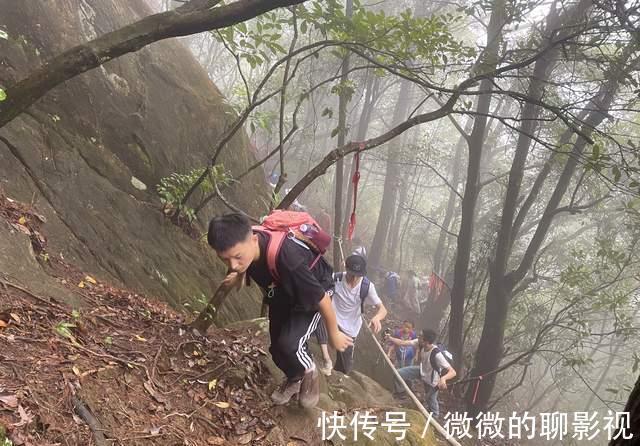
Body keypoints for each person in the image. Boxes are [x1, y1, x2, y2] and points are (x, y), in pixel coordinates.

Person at [207, 213, 353, 409]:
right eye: (225, 260)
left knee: (289, 345)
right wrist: (238, 275)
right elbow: (242, 263)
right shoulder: (246, 248)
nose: (233, 264)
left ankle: (310, 371)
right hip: (283, 295)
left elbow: (322, 299)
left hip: (311, 296)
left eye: (237, 257)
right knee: (276, 350)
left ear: (253, 240)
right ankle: (294, 378)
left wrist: (333, 333)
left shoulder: (287, 258)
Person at [315, 254, 387, 376]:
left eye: (358, 276)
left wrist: (377, 318)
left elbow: (383, 309)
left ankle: (339, 379)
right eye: (351, 274)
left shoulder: (367, 287)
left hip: (351, 327)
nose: (354, 279)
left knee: (344, 365)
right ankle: (326, 359)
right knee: (318, 317)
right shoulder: (335, 278)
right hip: (332, 319)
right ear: (345, 268)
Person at [386, 328, 456, 419]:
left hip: (432, 382)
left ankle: (434, 421)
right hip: (421, 371)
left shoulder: (437, 354)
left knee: (431, 403)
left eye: (420, 336)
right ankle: (401, 393)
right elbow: (402, 343)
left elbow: (453, 372)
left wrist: (443, 379)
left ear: (426, 341)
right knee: (398, 373)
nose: (417, 337)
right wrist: (390, 338)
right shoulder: (419, 343)